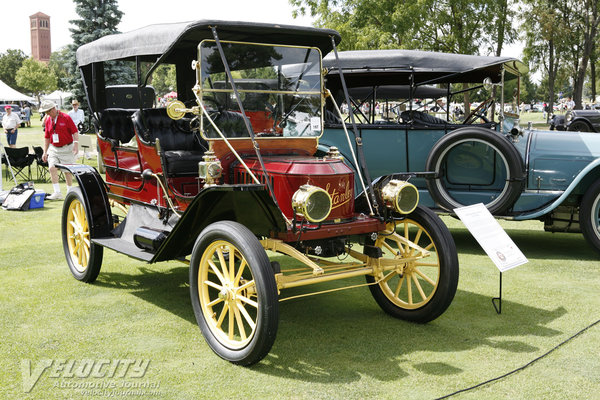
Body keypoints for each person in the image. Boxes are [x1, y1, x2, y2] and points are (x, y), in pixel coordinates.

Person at [40, 100, 79, 200]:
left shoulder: (66, 117)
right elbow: (47, 137)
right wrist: (45, 152)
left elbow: (75, 132)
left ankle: (69, 192)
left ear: (54, 108)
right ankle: (57, 192)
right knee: (51, 168)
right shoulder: (48, 119)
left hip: (67, 148)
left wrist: (76, 145)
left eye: (48, 111)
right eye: (46, 112)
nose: (47, 114)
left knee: (67, 172)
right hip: (53, 148)